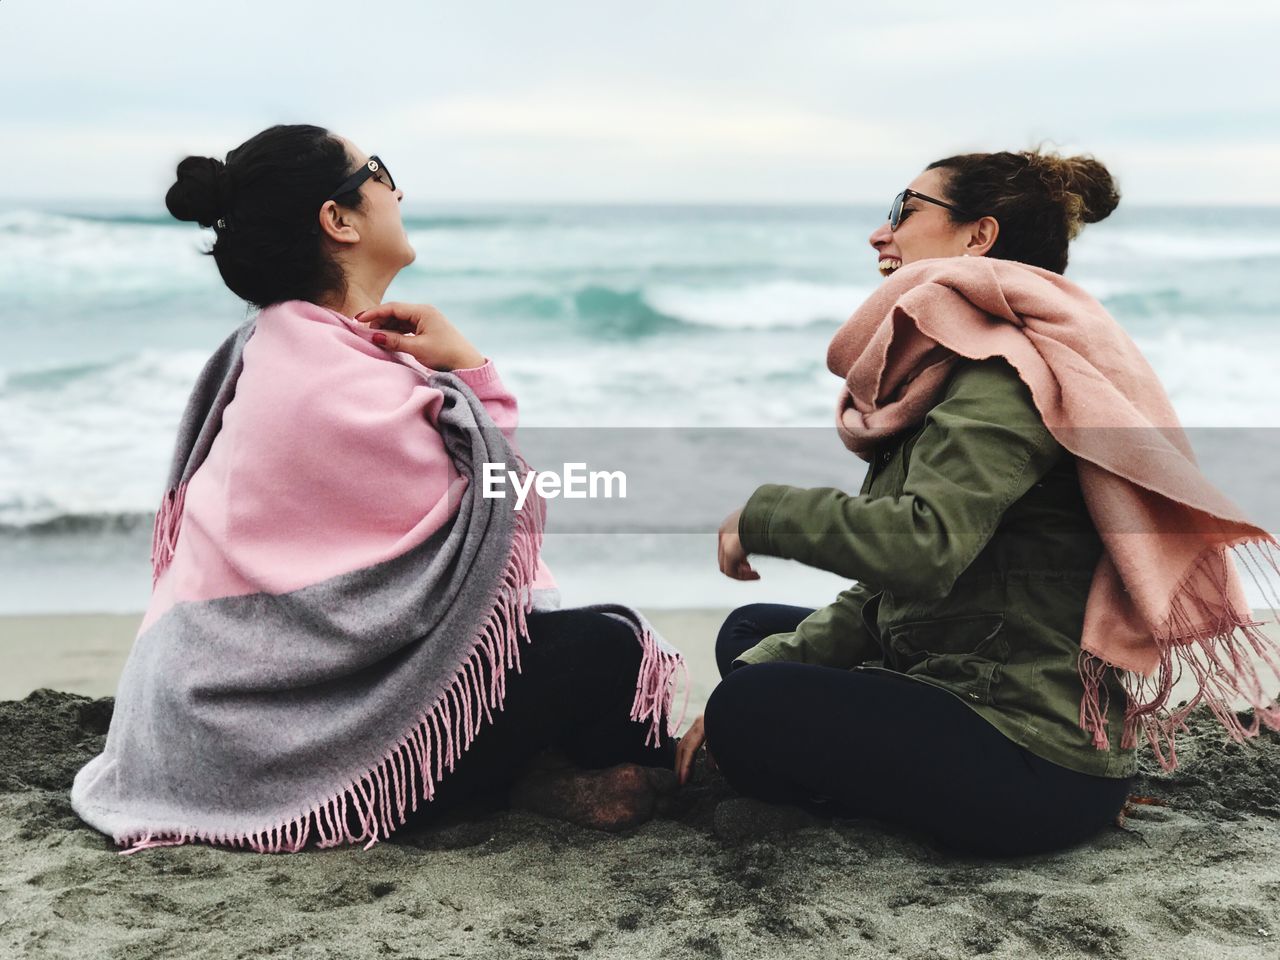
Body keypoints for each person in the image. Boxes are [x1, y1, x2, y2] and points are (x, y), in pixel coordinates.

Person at [70, 124, 682, 854]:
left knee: (565, 652)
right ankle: (584, 778)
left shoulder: (274, 352)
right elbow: (501, 522)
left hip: (207, 712)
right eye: (379, 173)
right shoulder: (340, 383)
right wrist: (474, 372)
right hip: (264, 739)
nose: (398, 190)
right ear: (339, 220)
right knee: (611, 648)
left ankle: (553, 778)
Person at [674, 148, 1280, 857]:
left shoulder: (1007, 377)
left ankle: (872, 784)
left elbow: (920, 548)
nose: (881, 232)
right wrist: (772, 664)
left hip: (1029, 754)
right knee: (750, 636)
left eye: (905, 210)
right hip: (959, 672)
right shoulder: (957, 369)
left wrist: (766, 516)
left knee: (748, 709)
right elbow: (884, 594)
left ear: (977, 237)